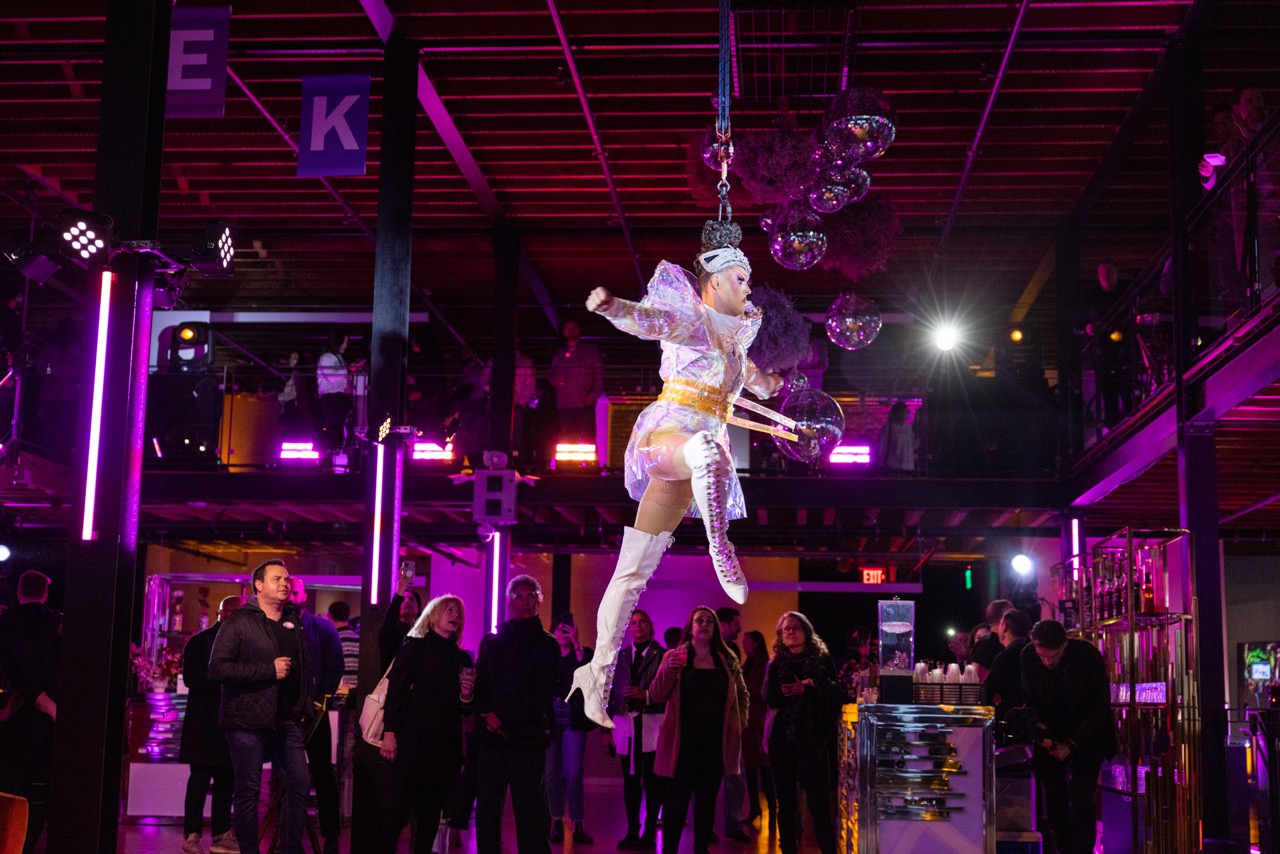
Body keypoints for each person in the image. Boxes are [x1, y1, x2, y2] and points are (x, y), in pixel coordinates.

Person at [569, 220, 783, 729]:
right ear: (715, 281)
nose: (748, 287)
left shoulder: (737, 344)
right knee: (707, 449)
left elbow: (757, 382)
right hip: (670, 435)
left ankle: (595, 675)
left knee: (632, 571)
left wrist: (770, 385)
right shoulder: (692, 321)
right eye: (740, 278)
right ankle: (720, 547)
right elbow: (649, 321)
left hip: (698, 458)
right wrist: (613, 307)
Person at [208, 559, 313, 854]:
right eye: (277, 579)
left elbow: (304, 668)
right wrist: (268, 670)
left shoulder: (293, 621)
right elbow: (217, 669)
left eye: (286, 579)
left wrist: (304, 705)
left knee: (299, 784)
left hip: (286, 719)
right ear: (258, 586)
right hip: (247, 721)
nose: (284, 584)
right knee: (248, 791)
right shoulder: (239, 622)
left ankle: (289, 849)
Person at [376, 595, 475, 854]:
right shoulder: (414, 647)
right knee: (395, 814)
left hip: (442, 748)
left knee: (430, 815)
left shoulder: (462, 659)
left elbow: (466, 710)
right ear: (433, 616)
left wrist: (467, 696)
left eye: (458, 612)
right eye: (449, 610)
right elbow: (395, 692)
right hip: (410, 742)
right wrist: (390, 732)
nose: (455, 615)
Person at [648, 606, 749, 854]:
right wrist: (670, 668)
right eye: (699, 620)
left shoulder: (727, 660)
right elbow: (656, 694)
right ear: (690, 627)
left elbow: (742, 695)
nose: (704, 624)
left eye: (709, 621)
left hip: (714, 744)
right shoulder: (674, 656)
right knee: (676, 803)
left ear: (714, 628)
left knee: (706, 804)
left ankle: (701, 850)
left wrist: (739, 723)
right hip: (682, 744)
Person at [473, 575, 559, 854]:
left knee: (531, 811)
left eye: (530, 595)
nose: (525, 601)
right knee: (488, 809)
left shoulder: (548, 644)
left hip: (528, 739)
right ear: (510, 602)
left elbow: (541, 693)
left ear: (539, 600)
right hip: (492, 738)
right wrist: (489, 714)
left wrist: (502, 717)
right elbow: (481, 685)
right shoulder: (493, 642)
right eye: (519, 596)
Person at [1020, 619, 1116, 854]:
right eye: (1042, 656)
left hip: (1088, 734)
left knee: (1082, 796)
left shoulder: (1087, 655)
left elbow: (1099, 708)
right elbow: (1031, 699)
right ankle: (1062, 849)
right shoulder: (1028, 655)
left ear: (1065, 644)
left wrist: (1071, 744)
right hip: (1051, 733)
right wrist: (1041, 731)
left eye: (1053, 656)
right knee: (1055, 798)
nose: (1047, 662)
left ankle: (1083, 851)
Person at [765, 611, 840, 854]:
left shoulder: (821, 659)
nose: (790, 632)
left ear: (806, 631)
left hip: (813, 742)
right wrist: (785, 690)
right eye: (785, 629)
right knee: (786, 805)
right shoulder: (776, 663)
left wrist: (806, 689)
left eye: (795, 627)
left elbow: (835, 695)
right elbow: (771, 700)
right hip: (783, 741)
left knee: (819, 807)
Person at [0, 570, 61, 854]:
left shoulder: (5, 623)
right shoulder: (57, 623)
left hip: (10, 718)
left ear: (19, 591)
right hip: (44, 725)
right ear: (45, 594)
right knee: (38, 795)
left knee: (9, 789)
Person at [1200, 86, 1279, 297]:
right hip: (1254, 213)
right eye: (1250, 101)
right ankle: (1268, 303)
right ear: (1239, 110)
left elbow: (1269, 148)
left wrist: (1250, 134)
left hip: (1275, 205)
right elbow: (1217, 184)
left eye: (1259, 98)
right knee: (1259, 265)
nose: (1256, 103)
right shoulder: (1232, 147)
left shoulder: (1274, 131)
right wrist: (1208, 174)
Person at [179, 595, 243, 854]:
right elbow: (192, 678)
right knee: (206, 780)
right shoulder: (203, 641)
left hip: (215, 722)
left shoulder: (203, 641)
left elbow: (194, 678)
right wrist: (228, 681)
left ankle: (208, 834)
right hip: (209, 722)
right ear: (226, 614)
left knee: (218, 781)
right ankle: (199, 835)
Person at [287, 579, 344, 854]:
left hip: (315, 711)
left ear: (304, 595)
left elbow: (336, 666)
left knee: (323, 773)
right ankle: (289, 836)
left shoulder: (322, 627)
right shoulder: (274, 625)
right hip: (285, 712)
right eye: (288, 591)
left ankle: (331, 835)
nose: (290, 596)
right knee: (285, 774)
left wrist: (321, 699)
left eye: (295, 592)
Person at [606, 609, 666, 851]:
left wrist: (646, 695)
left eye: (642, 622)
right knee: (630, 780)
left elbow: (668, 691)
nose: (638, 626)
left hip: (652, 724)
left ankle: (650, 830)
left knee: (653, 781)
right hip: (625, 724)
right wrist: (605, 729)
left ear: (650, 626)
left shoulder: (662, 655)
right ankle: (632, 830)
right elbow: (609, 692)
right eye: (633, 622)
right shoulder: (621, 656)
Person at [546, 613, 595, 844]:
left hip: (573, 717)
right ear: (552, 632)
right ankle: (556, 820)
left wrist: (576, 644)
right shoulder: (547, 655)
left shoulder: (583, 653)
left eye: (567, 629)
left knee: (573, 773)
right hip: (550, 717)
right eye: (559, 629)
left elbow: (588, 675)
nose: (563, 633)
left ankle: (578, 824)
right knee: (551, 773)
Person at [714, 607, 749, 843]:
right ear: (724, 625)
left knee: (736, 776)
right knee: (708, 778)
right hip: (712, 723)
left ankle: (733, 824)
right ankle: (708, 826)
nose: (740, 628)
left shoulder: (733, 650)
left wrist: (740, 718)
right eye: (736, 624)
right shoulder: (706, 649)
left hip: (731, 723)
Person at [739, 629, 775, 833]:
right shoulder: (749, 664)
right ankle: (755, 807)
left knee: (764, 767)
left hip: (759, 722)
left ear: (756, 643)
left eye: (747, 641)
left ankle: (771, 807)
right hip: (748, 722)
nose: (744, 645)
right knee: (751, 768)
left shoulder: (764, 666)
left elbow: (760, 691)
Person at [548, 319, 604, 444]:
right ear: (564, 332)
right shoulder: (559, 354)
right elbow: (551, 378)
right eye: (568, 328)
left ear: (579, 330)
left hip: (584, 403)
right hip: (565, 405)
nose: (571, 330)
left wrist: (593, 395)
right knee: (567, 440)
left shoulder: (590, 351)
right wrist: (557, 380)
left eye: (573, 327)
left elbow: (599, 374)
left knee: (588, 438)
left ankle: (591, 458)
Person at [982, 609, 1032, 734]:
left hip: (1010, 724)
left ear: (1004, 626)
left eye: (1000, 624)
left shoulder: (1005, 657)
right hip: (1031, 722)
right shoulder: (1033, 653)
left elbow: (987, 692)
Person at [316, 333, 353, 454]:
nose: (346, 345)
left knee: (338, 427)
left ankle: (336, 450)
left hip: (337, 397)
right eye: (345, 342)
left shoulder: (337, 357)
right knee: (333, 427)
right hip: (331, 397)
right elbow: (332, 377)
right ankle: (330, 452)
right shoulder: (327, 357)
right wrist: (348, 370)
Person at [379, 569, 422, 672]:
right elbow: (388, 622)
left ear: (418, 608)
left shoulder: (421, 636)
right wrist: (399, 592)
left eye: (411, 599)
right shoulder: (391, 633)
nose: (407, 602)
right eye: (403, 600)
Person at [970, 598, 1014, 680]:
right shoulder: (986, 644)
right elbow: (977, 675)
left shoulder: (982, 643)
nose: (1015, 618)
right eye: (1012, 614)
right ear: (1004, 617)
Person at [327, 600, 359, 690]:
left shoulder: (331, 639)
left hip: (339, 689)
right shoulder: (359, 639)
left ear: (330, 616)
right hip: (357, 690)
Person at [877, 401, 915, 472]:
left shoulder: (908, 428)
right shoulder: (888, 428)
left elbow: (912, 445)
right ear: (899, 412)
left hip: (907, 466)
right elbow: (883, 446)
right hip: (893, 466)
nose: (907, 413)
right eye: (905, 411)